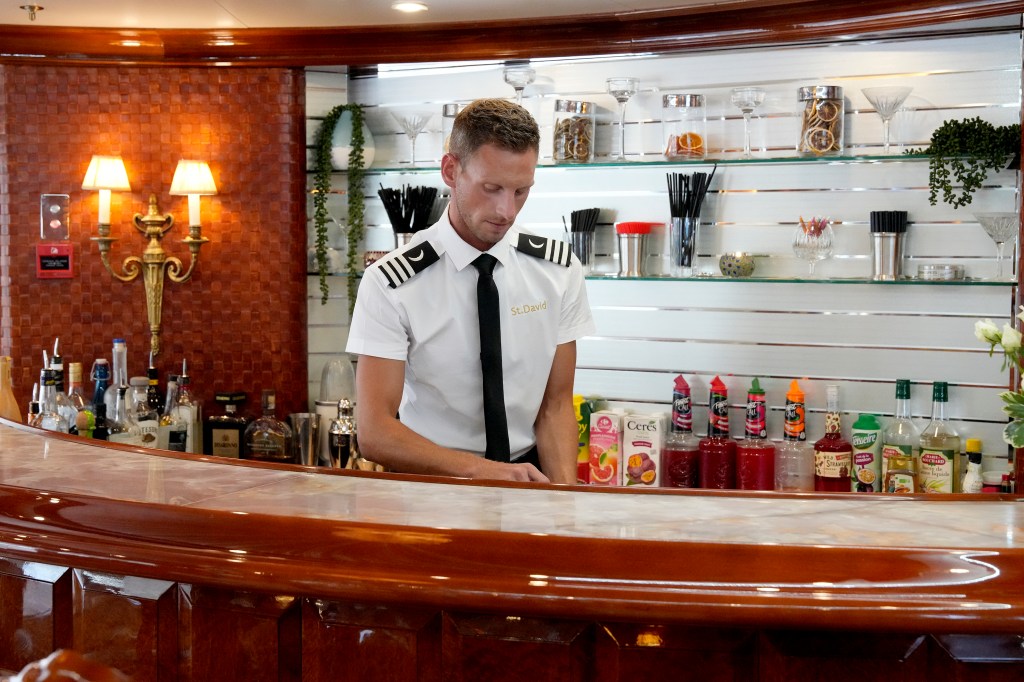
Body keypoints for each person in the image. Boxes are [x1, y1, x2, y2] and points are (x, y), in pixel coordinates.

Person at [346, 98, 595, 484]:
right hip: (431, 484)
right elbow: (375, 432)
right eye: (491, 188)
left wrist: (563, 501)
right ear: (451, 170)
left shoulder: (558, 270)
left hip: (529, 479)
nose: (506, 211)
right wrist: (487, 473)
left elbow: (556, 406)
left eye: (520, 191)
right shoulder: (391, 282)